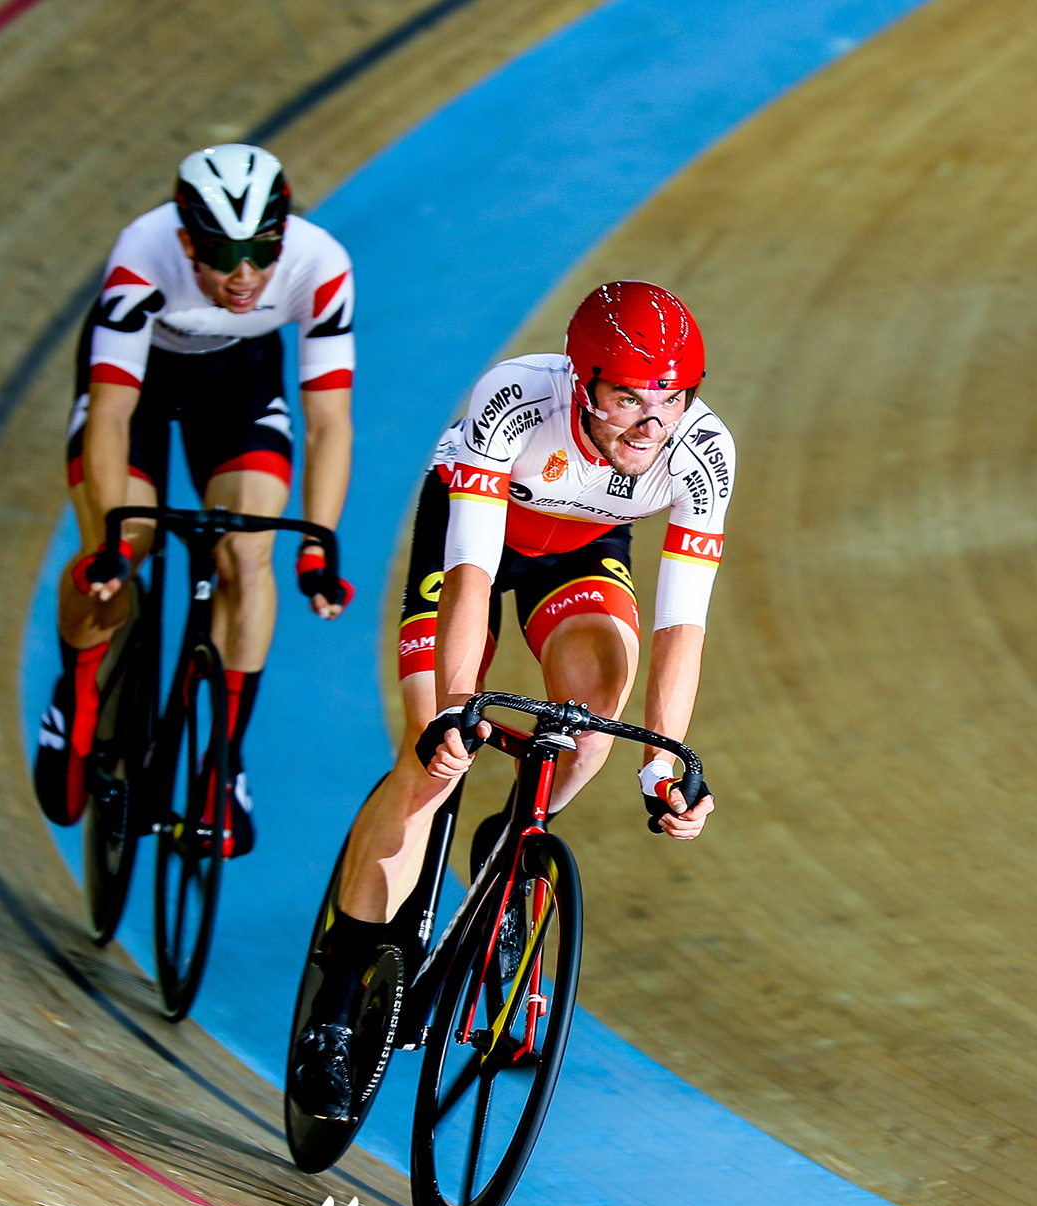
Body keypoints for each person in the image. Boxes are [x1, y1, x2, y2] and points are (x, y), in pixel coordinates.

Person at [288, 280, 730, 1119]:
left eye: (670, 399)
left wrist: (665, 761)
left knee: (596, 716)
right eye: (628, 398)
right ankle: (337, 1010)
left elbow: (683, 624)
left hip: (582, 551)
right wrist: (455, 710)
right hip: (471, 535)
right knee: (430, 765)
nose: (651, 424)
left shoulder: (704, 454)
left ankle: (519, 833)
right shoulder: (517, 399)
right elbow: (472, 576)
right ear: (581, 379)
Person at [33, 144, 356, 855]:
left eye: (260, 253)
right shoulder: (142, 253)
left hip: (236, 385)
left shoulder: (321, 263)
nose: (244, 277)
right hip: (138, 385)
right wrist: (112, 541)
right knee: (123, 549)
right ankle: (77, 695)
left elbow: (330, 421)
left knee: (248, 555)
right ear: (187, 241)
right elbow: (112, 415)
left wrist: (317, 544)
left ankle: (223, 764)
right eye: (221, 255)